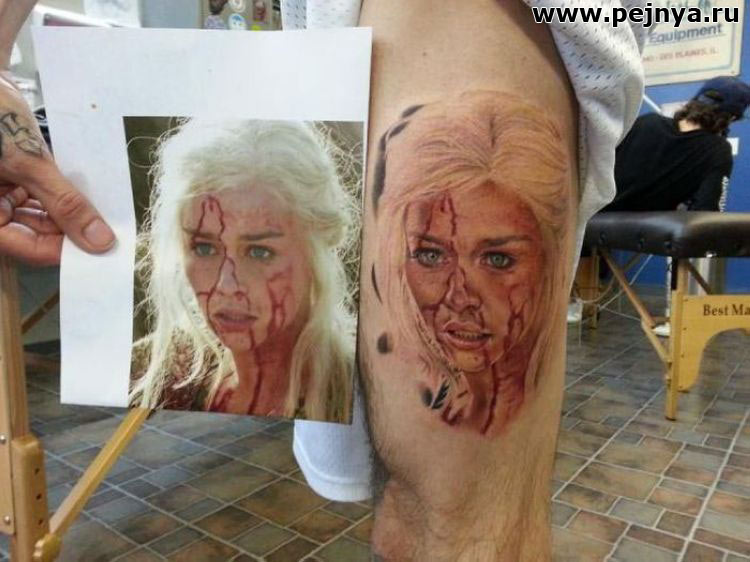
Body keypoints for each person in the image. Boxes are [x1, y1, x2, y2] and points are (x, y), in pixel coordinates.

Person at [2, 0, 646, 559]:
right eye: (429, 255)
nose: (459, 296)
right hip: (342, 37)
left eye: (498, 260)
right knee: (420, 524)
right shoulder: (170, 363)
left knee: (460, 525)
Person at [129, 118, 356, 422]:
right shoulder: (148, 372)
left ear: (315, 253)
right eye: (204, 248)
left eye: (259, 252)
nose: (226, 285)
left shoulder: (370, 392)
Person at [606, 76, 750, 212]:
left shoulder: (647, 122)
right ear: (731, 117)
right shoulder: (717, 150)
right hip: (639, 229)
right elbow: (707, 210)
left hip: (595, 220)